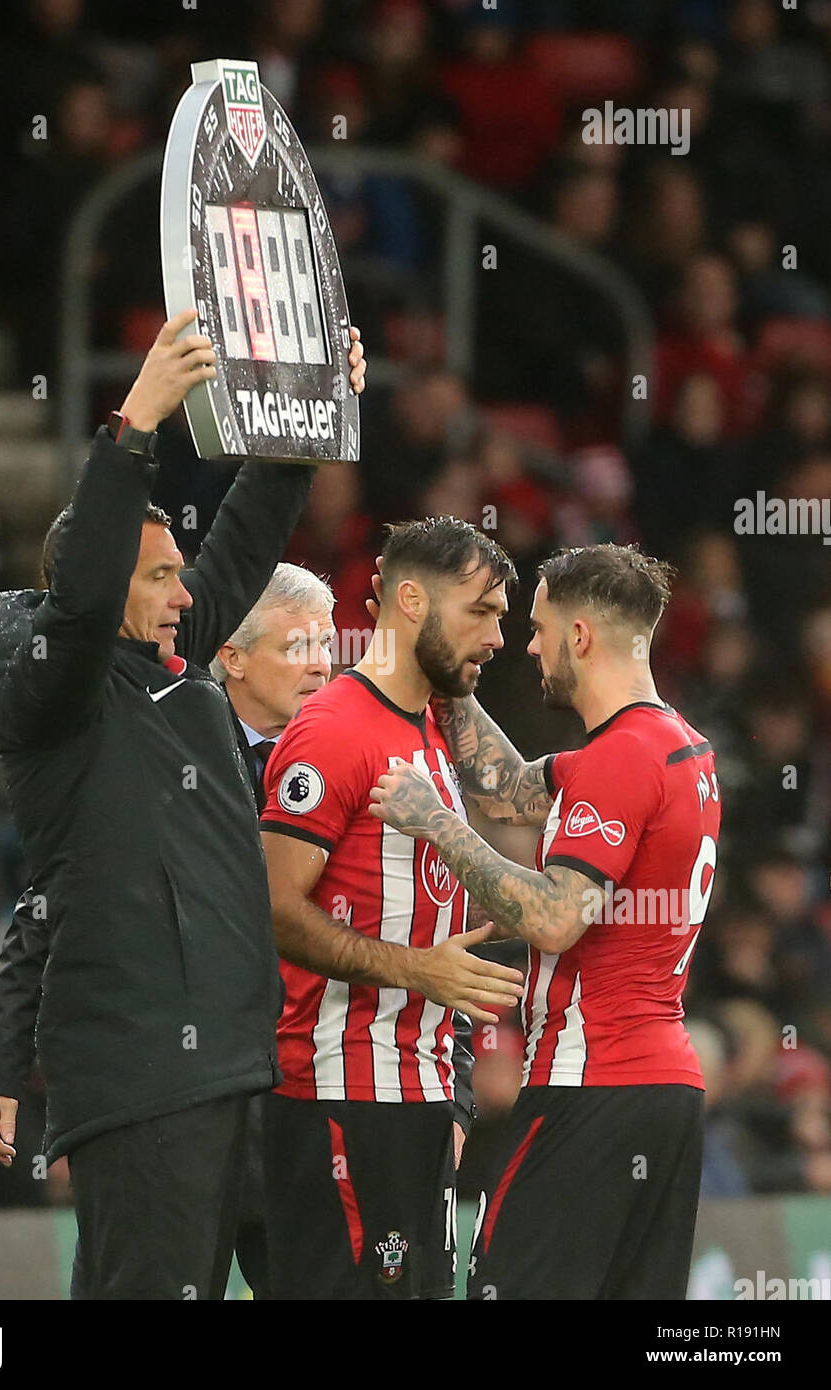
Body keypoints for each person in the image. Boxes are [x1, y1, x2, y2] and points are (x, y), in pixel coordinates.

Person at [0, 311, 367, 1300]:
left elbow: (246, 533)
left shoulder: (180, 668)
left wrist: (306, 415)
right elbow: (87, 597)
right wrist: (135, 425)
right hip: (144, 1074)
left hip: (241, 1064)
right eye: (155, 578)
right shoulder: (46, 696)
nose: (185, 595)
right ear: (92, 591)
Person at [369, 542, 720, 1300]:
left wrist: (436, 824)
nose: (527, 646)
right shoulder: (679, 748)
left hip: (591, 1081)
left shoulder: (617, 760)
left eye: (538, 629)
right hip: (666, 1091)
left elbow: (557, 919)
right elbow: (509, 789)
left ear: (581, 637)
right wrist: (446, 674)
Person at [259, 517, 526, 1300]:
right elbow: (272, 907)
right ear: (411, 600)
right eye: (481, 611)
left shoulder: (430, 724)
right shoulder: (333, 730)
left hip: (420, 1094)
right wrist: (419, 970)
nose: (498, 635)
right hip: (341, 1095)